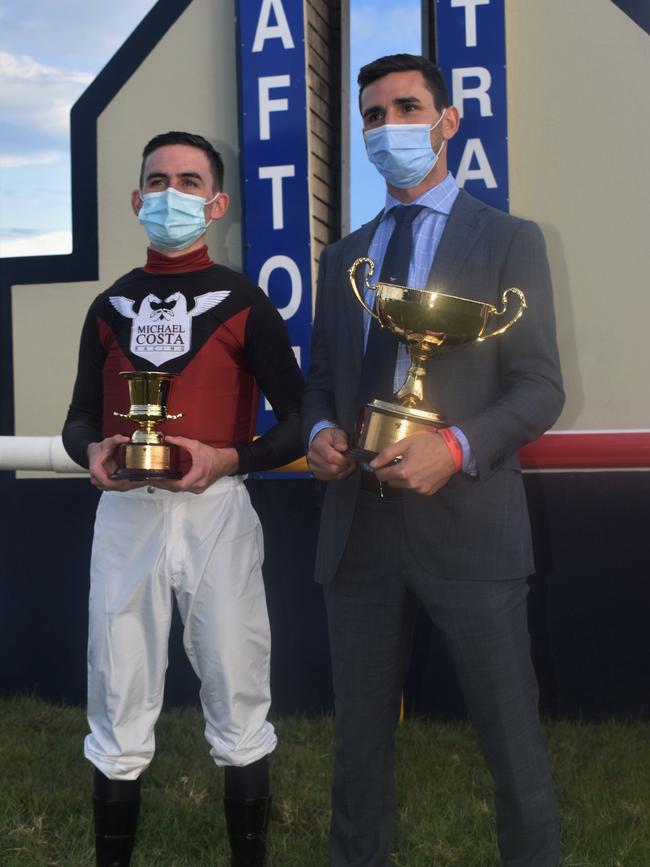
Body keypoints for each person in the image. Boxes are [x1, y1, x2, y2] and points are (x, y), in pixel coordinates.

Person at [303, 54, 564, 867]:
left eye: (406, 108)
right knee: (358, 751)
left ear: (447, 122)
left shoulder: (511, 241)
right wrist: (319, 434)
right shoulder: (344, 255)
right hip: (360, 536)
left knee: (512, 745)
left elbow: (540, 389)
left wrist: (453, 447)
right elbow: (320, 382)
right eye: (373, 116)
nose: (389, 128)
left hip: (471, 530)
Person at [62, 131, 304, 867]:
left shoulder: (245, 301)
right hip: (127, 514)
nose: (172, 194)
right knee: (117, 684)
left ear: (217, 201)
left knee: (237, 682)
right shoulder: (108, 306)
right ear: (137, 199)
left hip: (217, 513)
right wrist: (92, 450)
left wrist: (231, 457)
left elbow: (296, 421)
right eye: (158, 181)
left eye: (189, 181)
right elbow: (78, 417)